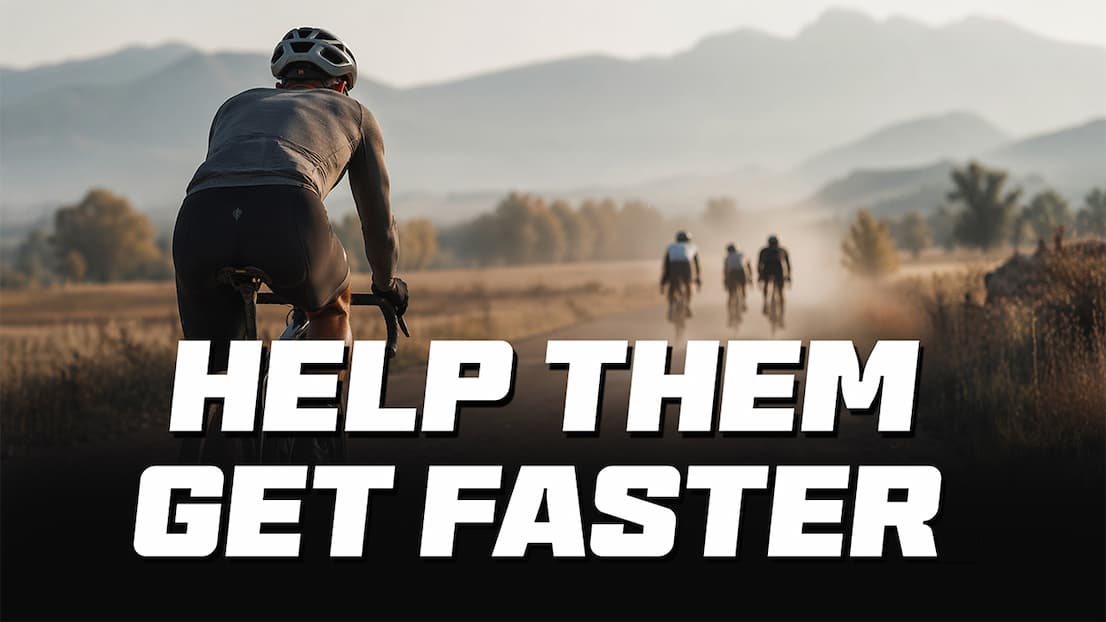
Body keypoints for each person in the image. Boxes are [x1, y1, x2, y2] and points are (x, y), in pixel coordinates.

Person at [173, 27, 408, 375]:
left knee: (216, 363)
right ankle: (314, 409)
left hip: (198, 219)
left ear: (280, 84)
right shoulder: (354, 113)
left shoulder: (234, 107)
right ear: (342, 86)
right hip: (288, 213)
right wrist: (386, 283)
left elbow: (228, 178)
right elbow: (377, 222)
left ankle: (220, 414)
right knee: (332, 309)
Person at [661, 230, 702, 316]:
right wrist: (698, 277)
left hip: (673, 266)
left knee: (672, 286)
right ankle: (687, 305)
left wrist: (665, 277)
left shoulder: (671, 247)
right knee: (688, 284)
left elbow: (666, 263)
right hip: (685, 266)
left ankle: (671, 306)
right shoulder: (692, 246)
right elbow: (696, 264)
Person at [757, 234, 792, 321]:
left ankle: (765, 303)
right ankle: (781, 317)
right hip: (778, 272)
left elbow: (759, 264)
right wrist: (788, 276)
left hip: (767, 271)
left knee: (767, 287)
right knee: (780, 293)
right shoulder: (782, 250)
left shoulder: (764, 250)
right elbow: (787, 265)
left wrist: (760, 276)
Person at [723, 243, 752, 312]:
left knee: (731, 292)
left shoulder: (727, 257)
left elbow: (725, 269)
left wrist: (725, 279)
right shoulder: (740, 254)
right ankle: (744, 302)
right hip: (740, 272)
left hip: (732, 273)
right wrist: (750, 275)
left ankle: (729, 306)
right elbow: (748, 263)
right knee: (743, 287)